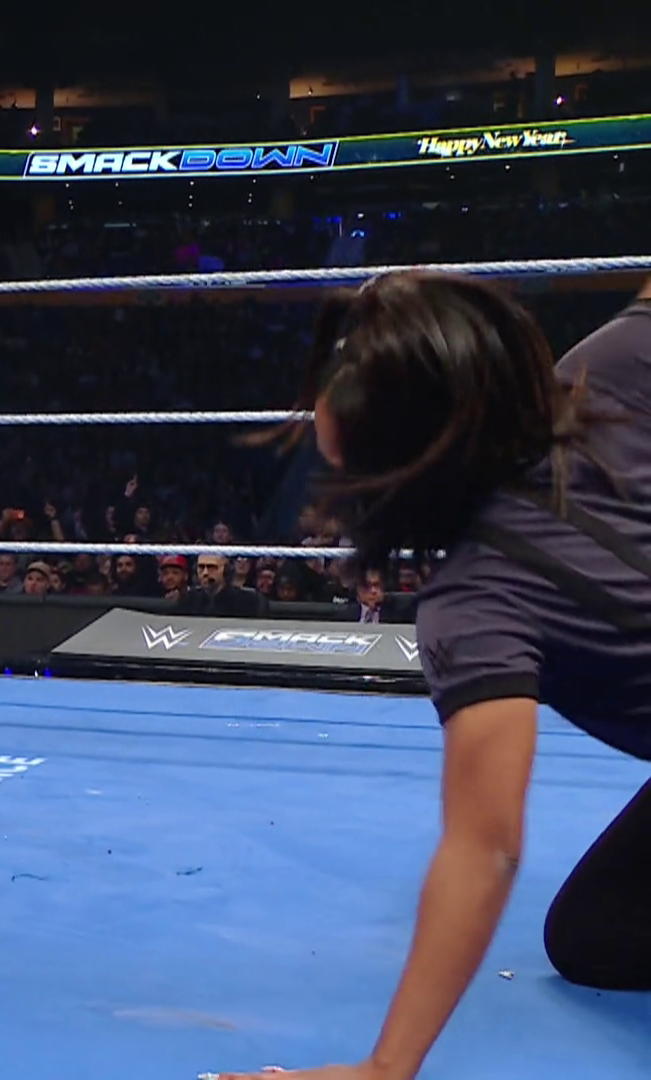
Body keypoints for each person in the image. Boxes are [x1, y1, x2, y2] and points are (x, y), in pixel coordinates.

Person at [214, 273, 651, 1080]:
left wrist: (386, 1068)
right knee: (592, 936)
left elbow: (485, 847)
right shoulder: (605, 375)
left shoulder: (477, 598)